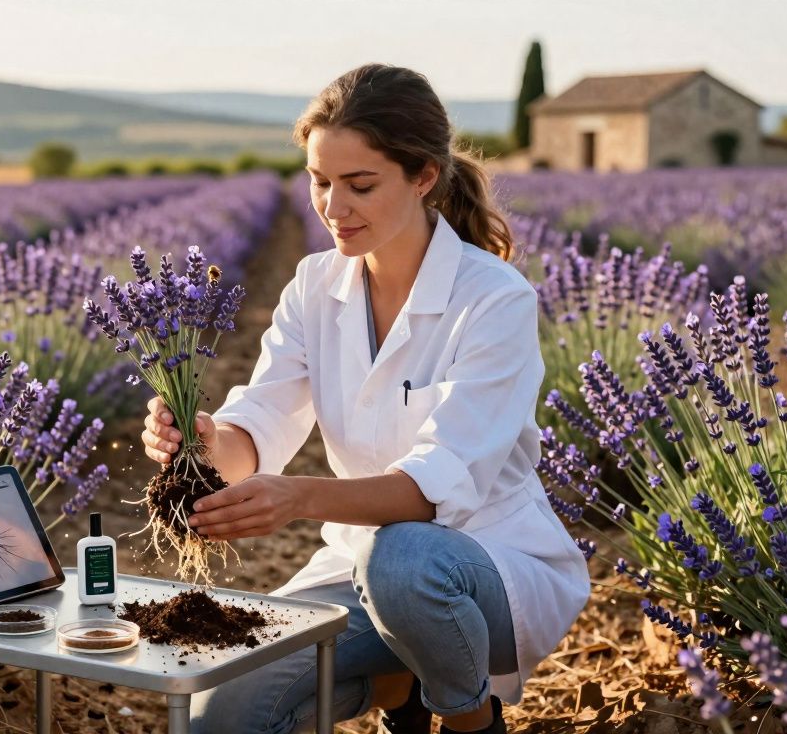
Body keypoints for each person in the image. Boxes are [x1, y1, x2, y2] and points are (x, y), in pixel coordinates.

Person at [140, 63, 590, 734]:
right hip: (358, 567)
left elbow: (435, 490)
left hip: (483, 569)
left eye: (360, 185)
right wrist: (204, 444)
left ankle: (470, 720)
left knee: (402, 559)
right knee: (224, 707)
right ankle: (398, 679)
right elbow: (262, 422)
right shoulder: (313, 285)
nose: (332, 207)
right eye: (319, 181)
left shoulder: (493, 299)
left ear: (424, 177)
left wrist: (297, 497)